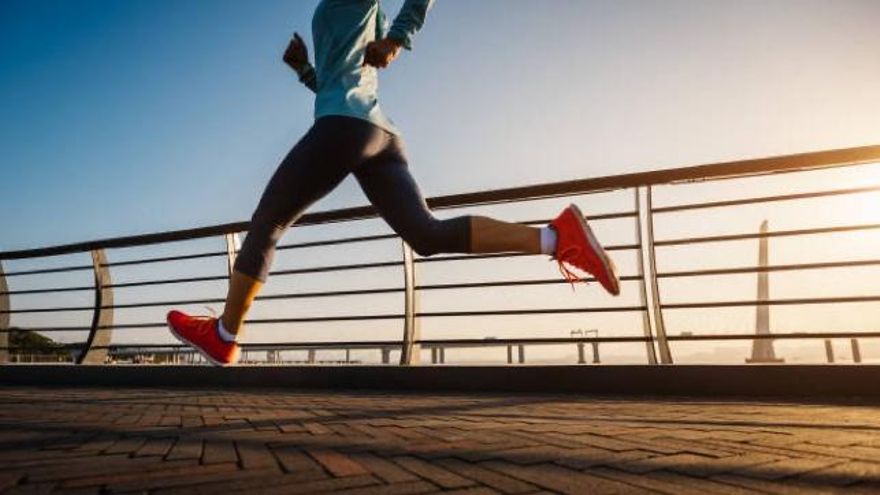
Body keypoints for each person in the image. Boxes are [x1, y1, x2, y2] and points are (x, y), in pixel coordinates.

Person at [167, 0, 619, 366]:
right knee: (426, 233)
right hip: (377, 134)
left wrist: (399, 39)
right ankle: (557, 238)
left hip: (346, 127)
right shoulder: (342, 12)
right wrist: (304, 70)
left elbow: (371, 60)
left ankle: (224, 335)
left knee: (268, 220)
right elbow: (340, 82)